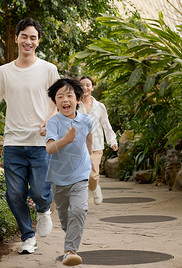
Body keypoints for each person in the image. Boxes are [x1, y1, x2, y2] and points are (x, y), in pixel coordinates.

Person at [0, 17, 59, 254]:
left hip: (40, 142)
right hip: (13, 143)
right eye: (23, 36)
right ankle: (28, 236)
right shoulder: (4, 71)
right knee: (15, 194)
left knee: (38, 191)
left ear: (38, 41)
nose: (28, 41)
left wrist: (50, 119)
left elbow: (58, 101)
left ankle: (44, 209)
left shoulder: (48, 69)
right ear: (16, 39)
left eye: (32, 37)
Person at [45, 78, 94, 266]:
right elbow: (49, 149)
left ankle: (70, 251)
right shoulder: (53, 123)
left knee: (79, 210)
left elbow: (88, 137)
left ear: (78, 99)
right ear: (55, 102)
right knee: (66, 218)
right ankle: (71, 230)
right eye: (60, 97)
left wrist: (90, 156)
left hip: (80, 173)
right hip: (58, 177)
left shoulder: (87, 120)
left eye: (69, 95)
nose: (65, 100)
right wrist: (65, 140)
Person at [78, 76, 118, 205]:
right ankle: (82, 201)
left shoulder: (100, 106)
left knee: (92, 175)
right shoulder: (75, 106)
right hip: (79, 146)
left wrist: (112, 141)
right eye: (82, 85)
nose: (85, 88)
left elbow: (106, 125)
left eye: (88, 85)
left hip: (96, 146)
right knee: (82, 175)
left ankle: (95, 187)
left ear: (92, 87)